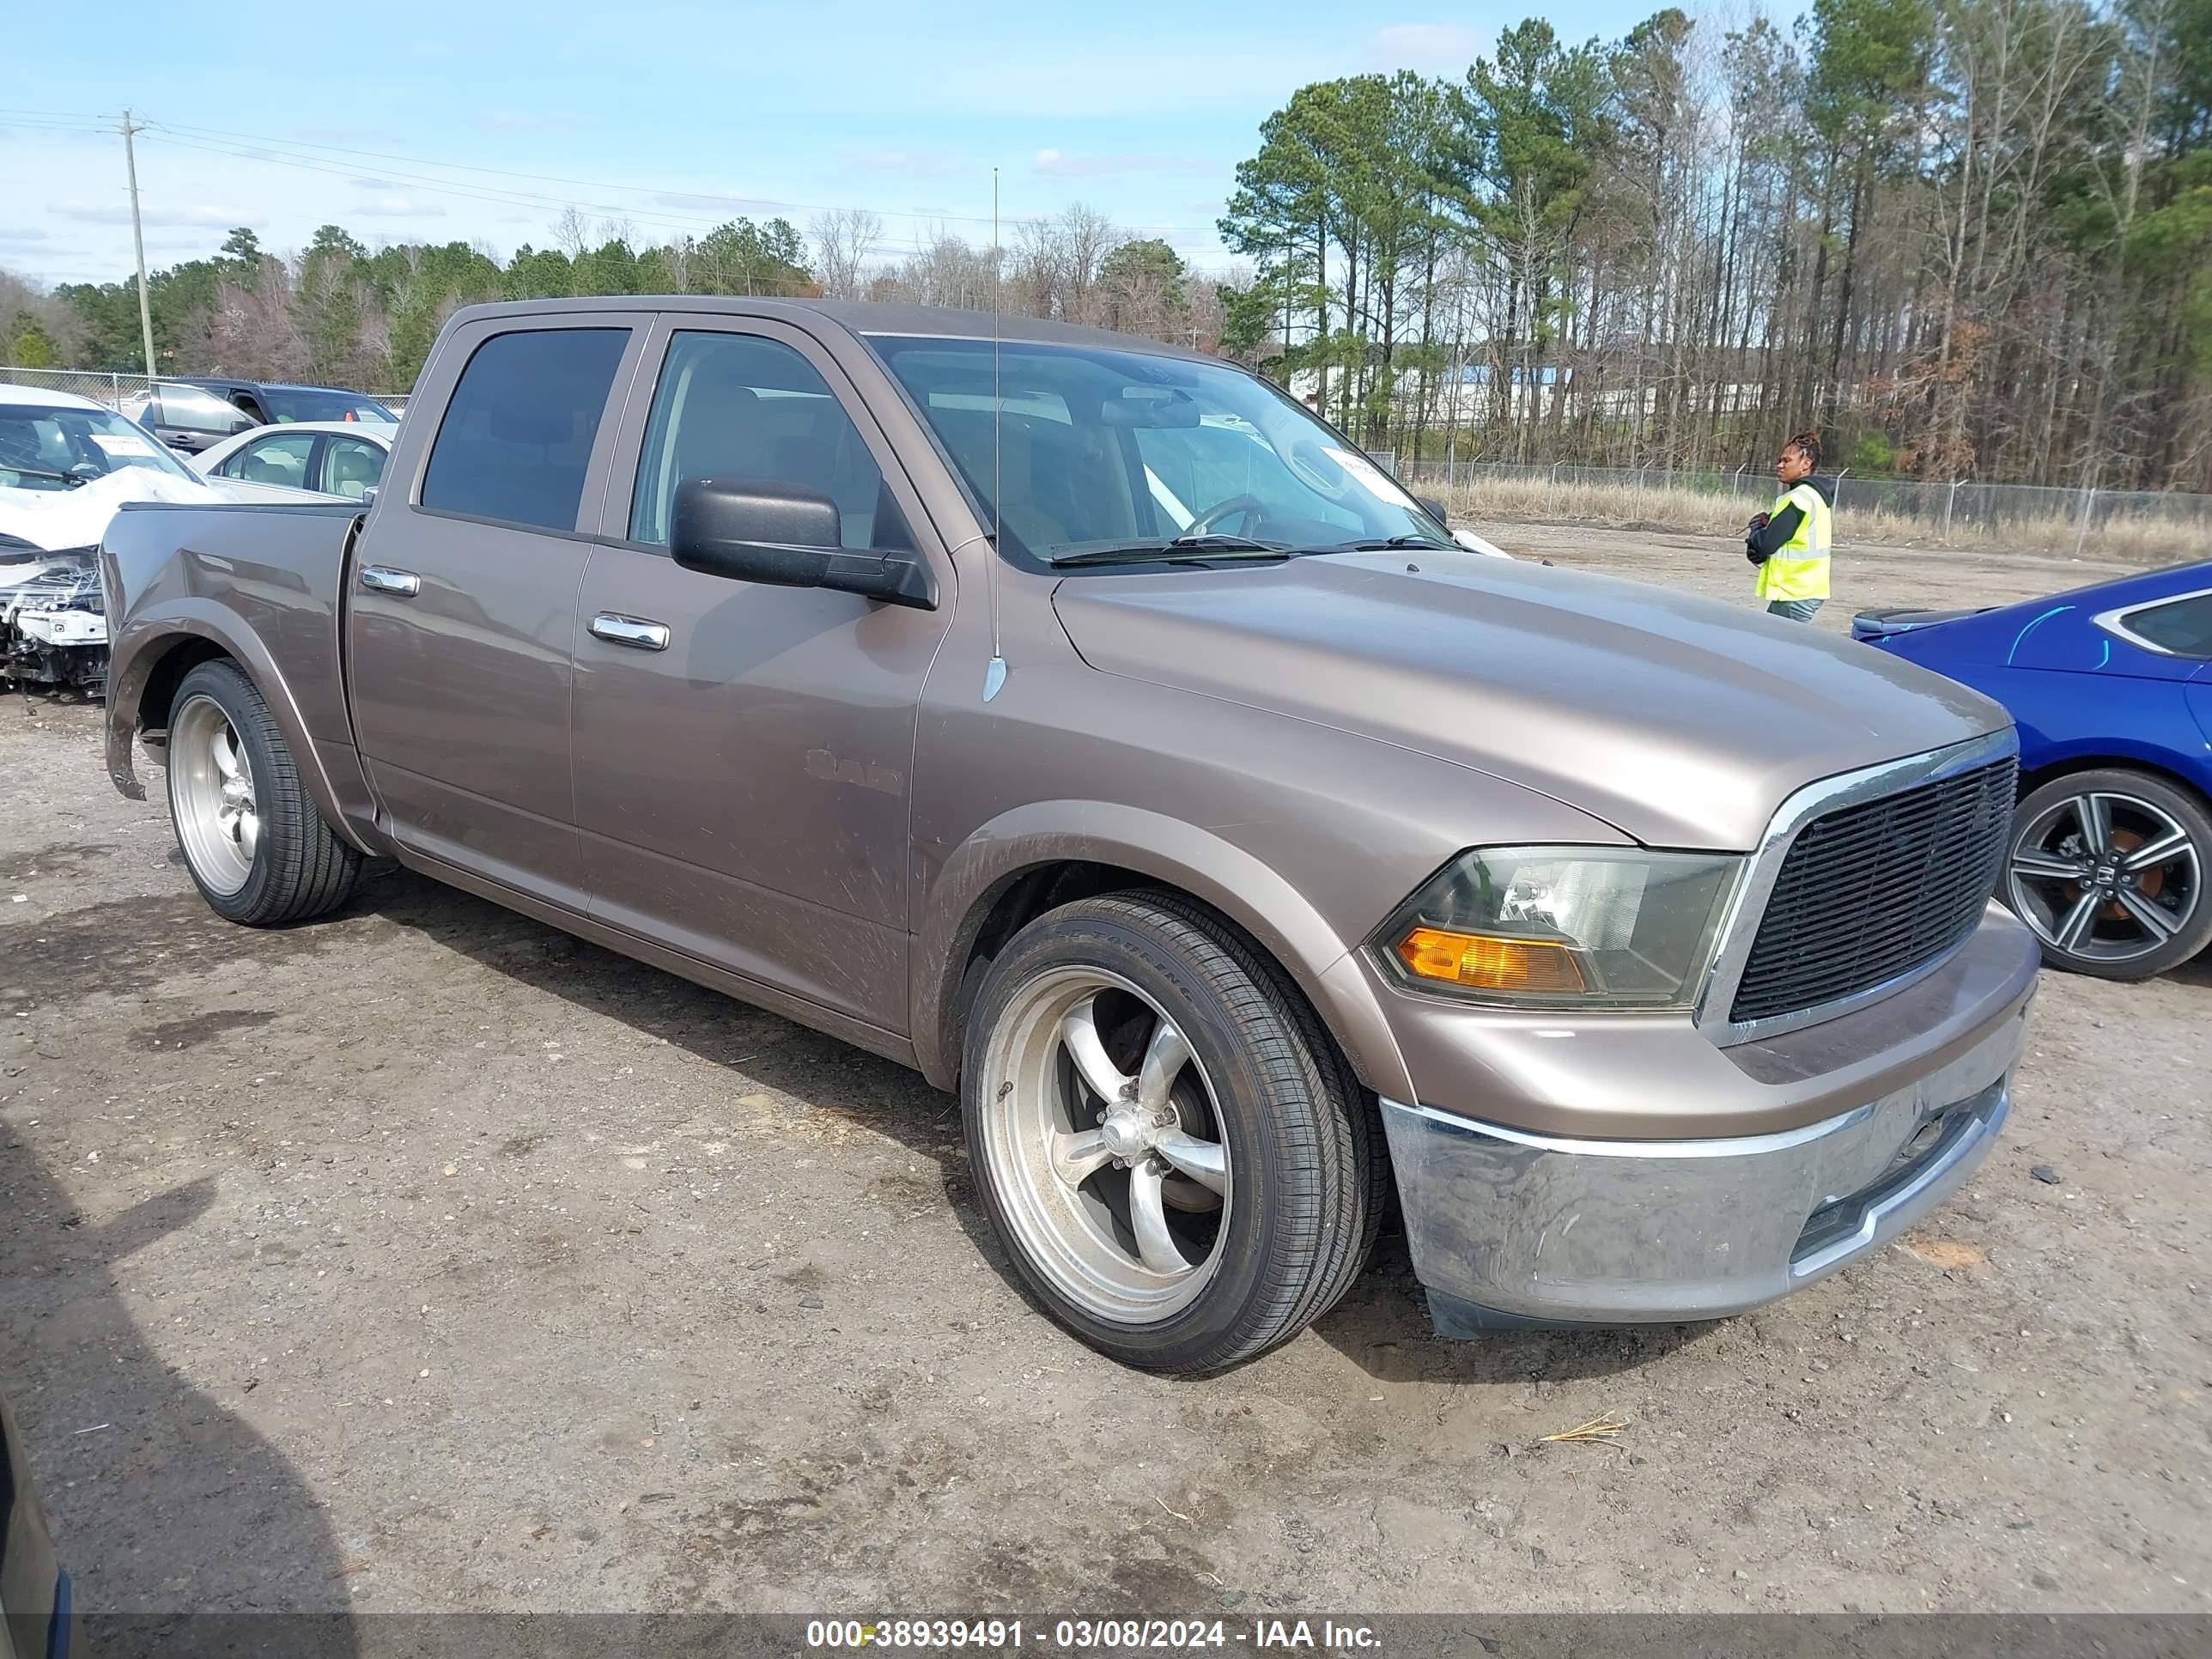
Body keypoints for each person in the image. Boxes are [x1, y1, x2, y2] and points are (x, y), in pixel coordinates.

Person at [1744, 430, 1832, 623]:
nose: (1780, 465)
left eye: (1786, 461)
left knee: (1780, 649)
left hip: (1795, 593)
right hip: (1804, 590)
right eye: (1780, 460)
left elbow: (1768, 544)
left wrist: (1756, 532)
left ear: (1806, 464)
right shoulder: (1815, 496)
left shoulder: (1799, 498)